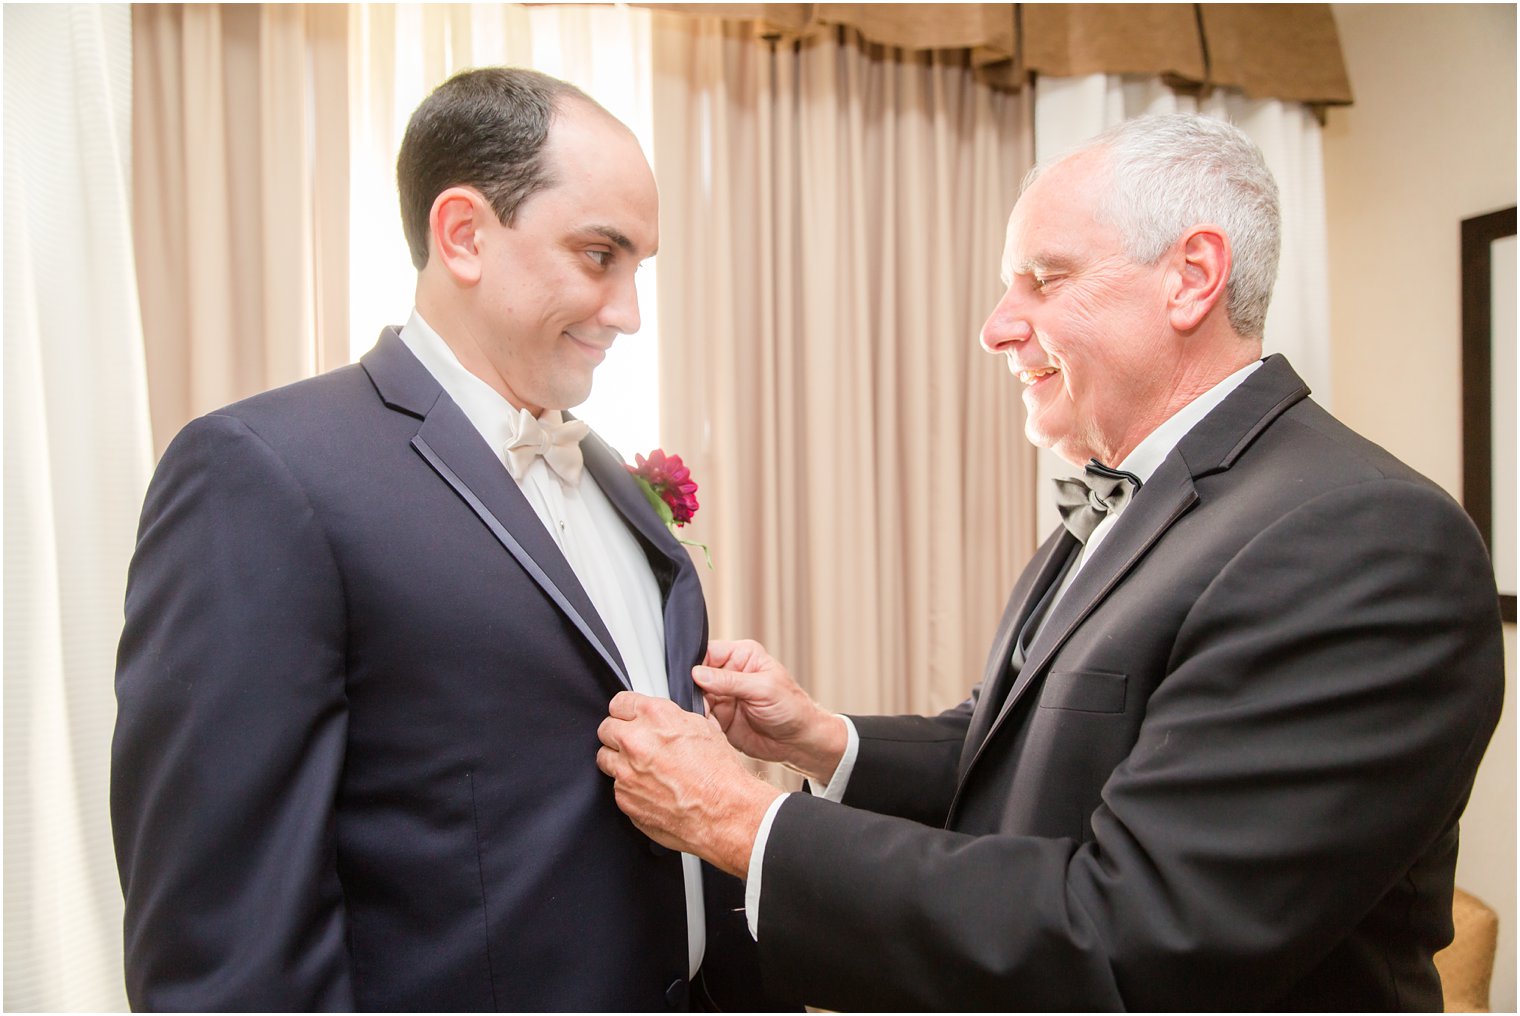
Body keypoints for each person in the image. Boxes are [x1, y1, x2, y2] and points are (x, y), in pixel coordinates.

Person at [595, 113, 1506, 1010]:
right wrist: (821, 738)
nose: (997, 326)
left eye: (1043, 279)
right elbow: (1026, 755)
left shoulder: (1359, 536)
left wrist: (744, 823)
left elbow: (1139, 941)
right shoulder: (1139, 494)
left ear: (1192, 278)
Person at [112, 67, 777, 1011]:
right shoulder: (264, 472)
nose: (630, 311)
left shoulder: (612, 483)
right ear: (463, 233)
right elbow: (222, 934)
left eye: (640, 268)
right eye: (600, 256)